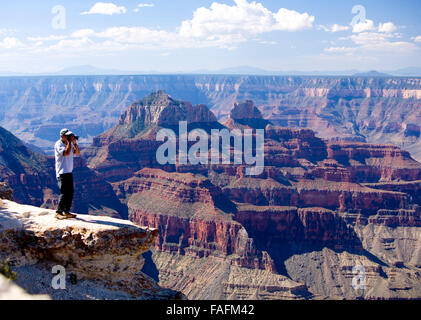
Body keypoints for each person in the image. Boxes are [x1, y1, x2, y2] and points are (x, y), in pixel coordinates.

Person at [54, 128, 80, 219]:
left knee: (70, 192)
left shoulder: (70, 144)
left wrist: (74, 143)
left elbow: (77, 152)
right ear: (62, 136)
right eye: (67, 136)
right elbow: (66, 153)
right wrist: (69, 142)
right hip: (62, 172)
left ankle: (66, 211)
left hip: (69, 171)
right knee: (64, 192)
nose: (69, 137)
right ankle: (58, 212)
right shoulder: (59, 144)